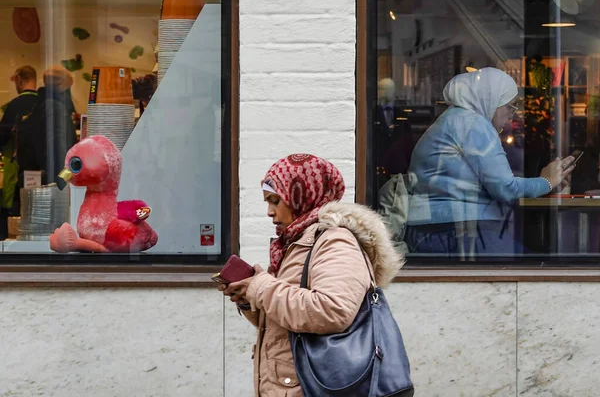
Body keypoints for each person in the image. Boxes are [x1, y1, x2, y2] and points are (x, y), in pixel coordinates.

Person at [216, 154, 403, 396]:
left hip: (313, 386)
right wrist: (248, 297)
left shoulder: (335, 241)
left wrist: (261, 287)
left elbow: (332, 310)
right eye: (267, 202)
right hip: (292, 384)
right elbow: (290, 319)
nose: (269, 213)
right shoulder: (297, 242)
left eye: (275, 201)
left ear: (301, 194)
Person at [405, 67, 575, 256]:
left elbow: (489, 184)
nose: (512, 115)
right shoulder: (473, 124)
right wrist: (546, 182)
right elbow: (505, 188)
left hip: (436, 229)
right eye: (510, 106)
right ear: (490, 100)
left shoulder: (455, 120)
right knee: (538, 266)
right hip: (456, 231)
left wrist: (545, 186)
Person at [16, 65, 77, 188]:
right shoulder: (56, 110)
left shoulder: (38, 108)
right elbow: (60, 156)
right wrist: (65, 180)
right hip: (51, 184)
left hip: (33, 181)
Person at [0, 65, 39, 239]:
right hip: (42, 169)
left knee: (15, 211)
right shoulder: (43, 103)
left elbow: (2, 136)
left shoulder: (13, 106)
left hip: (16, 170)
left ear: (19, 79)